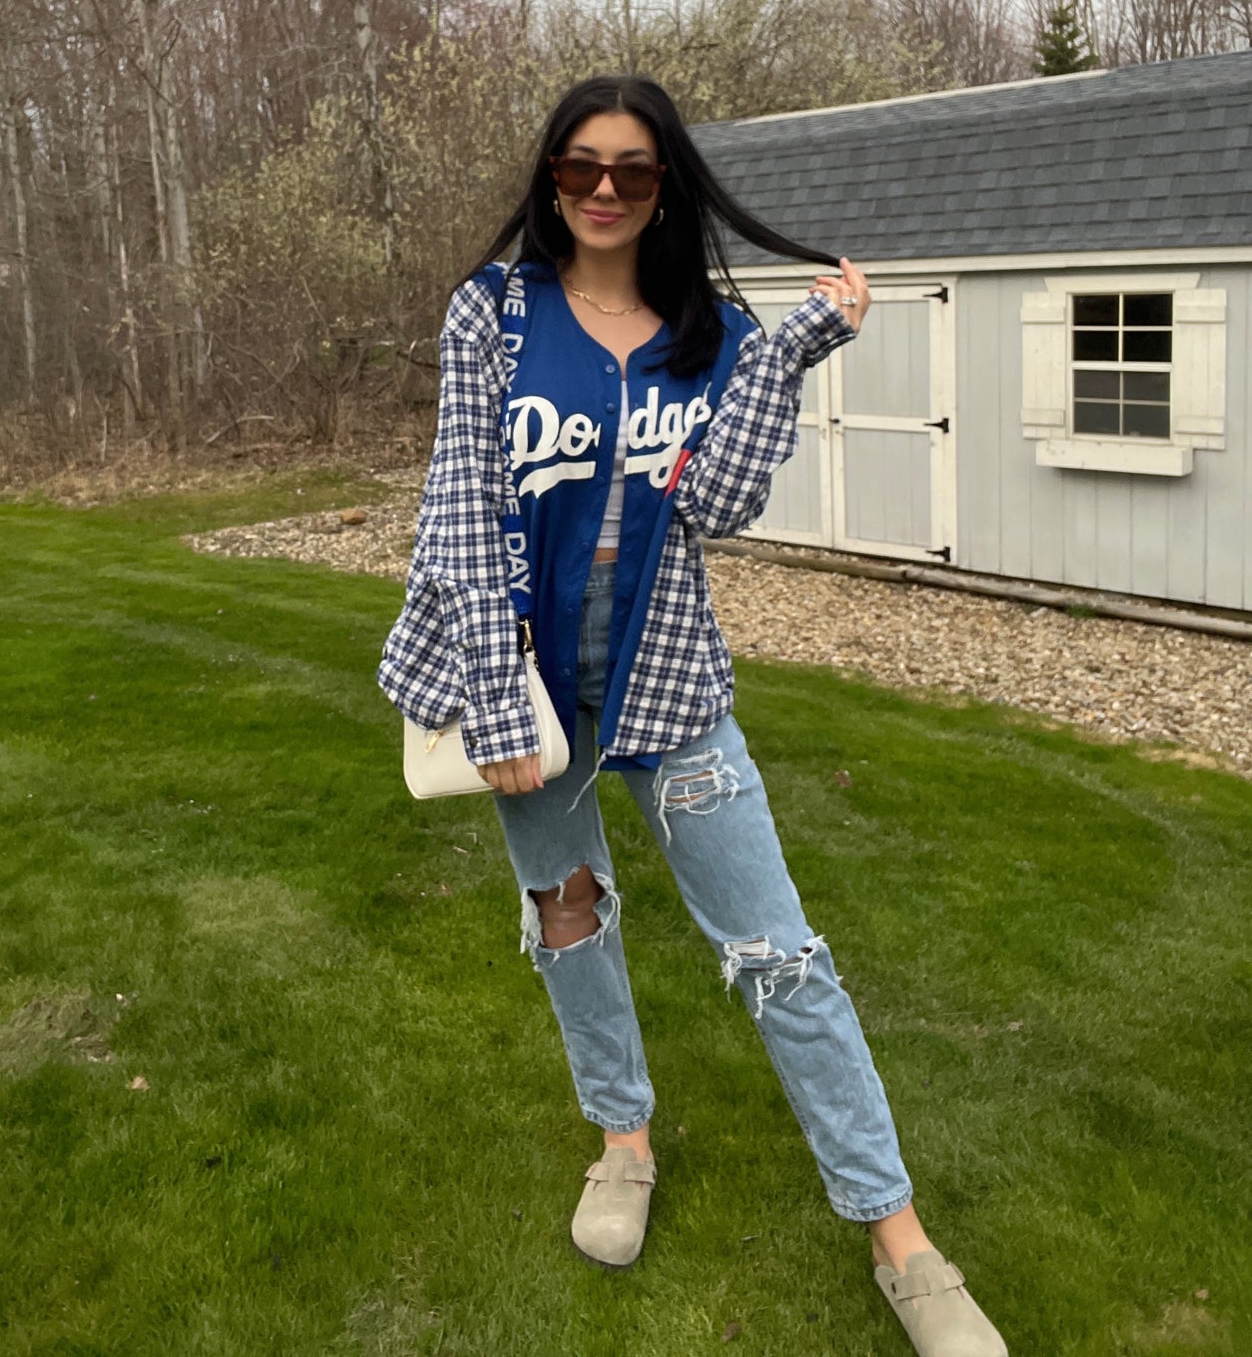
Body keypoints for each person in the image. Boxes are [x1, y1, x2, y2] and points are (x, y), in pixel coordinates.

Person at [379, 77, 1005, 1357]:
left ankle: (901, 1238)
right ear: (548, 174)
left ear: (668, 187)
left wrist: (782, 351)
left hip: (671, 691)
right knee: (574, 926)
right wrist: (495, 697)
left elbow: (714, 503)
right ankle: (622, 1141)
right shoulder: (492, 313)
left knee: (782, 957)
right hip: (533, 698)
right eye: (580, 166)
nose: (604, 192)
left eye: (634, 172)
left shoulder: (704, 330)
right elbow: (453, 509)